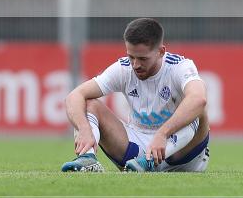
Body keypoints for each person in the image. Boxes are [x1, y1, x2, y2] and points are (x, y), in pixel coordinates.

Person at [61, 17, 210, 173]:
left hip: (182, 155)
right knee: (88, 104)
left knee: (198, 110)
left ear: (160, 52)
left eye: (143, 59)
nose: (135, 65)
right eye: (131, 57)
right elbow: (74, 95)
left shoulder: (179, 66)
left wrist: (162, 134)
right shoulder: (123, 68)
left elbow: (199, 99)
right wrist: (84, 128)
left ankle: (150, 161)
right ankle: (88, 160)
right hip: (135, 155)